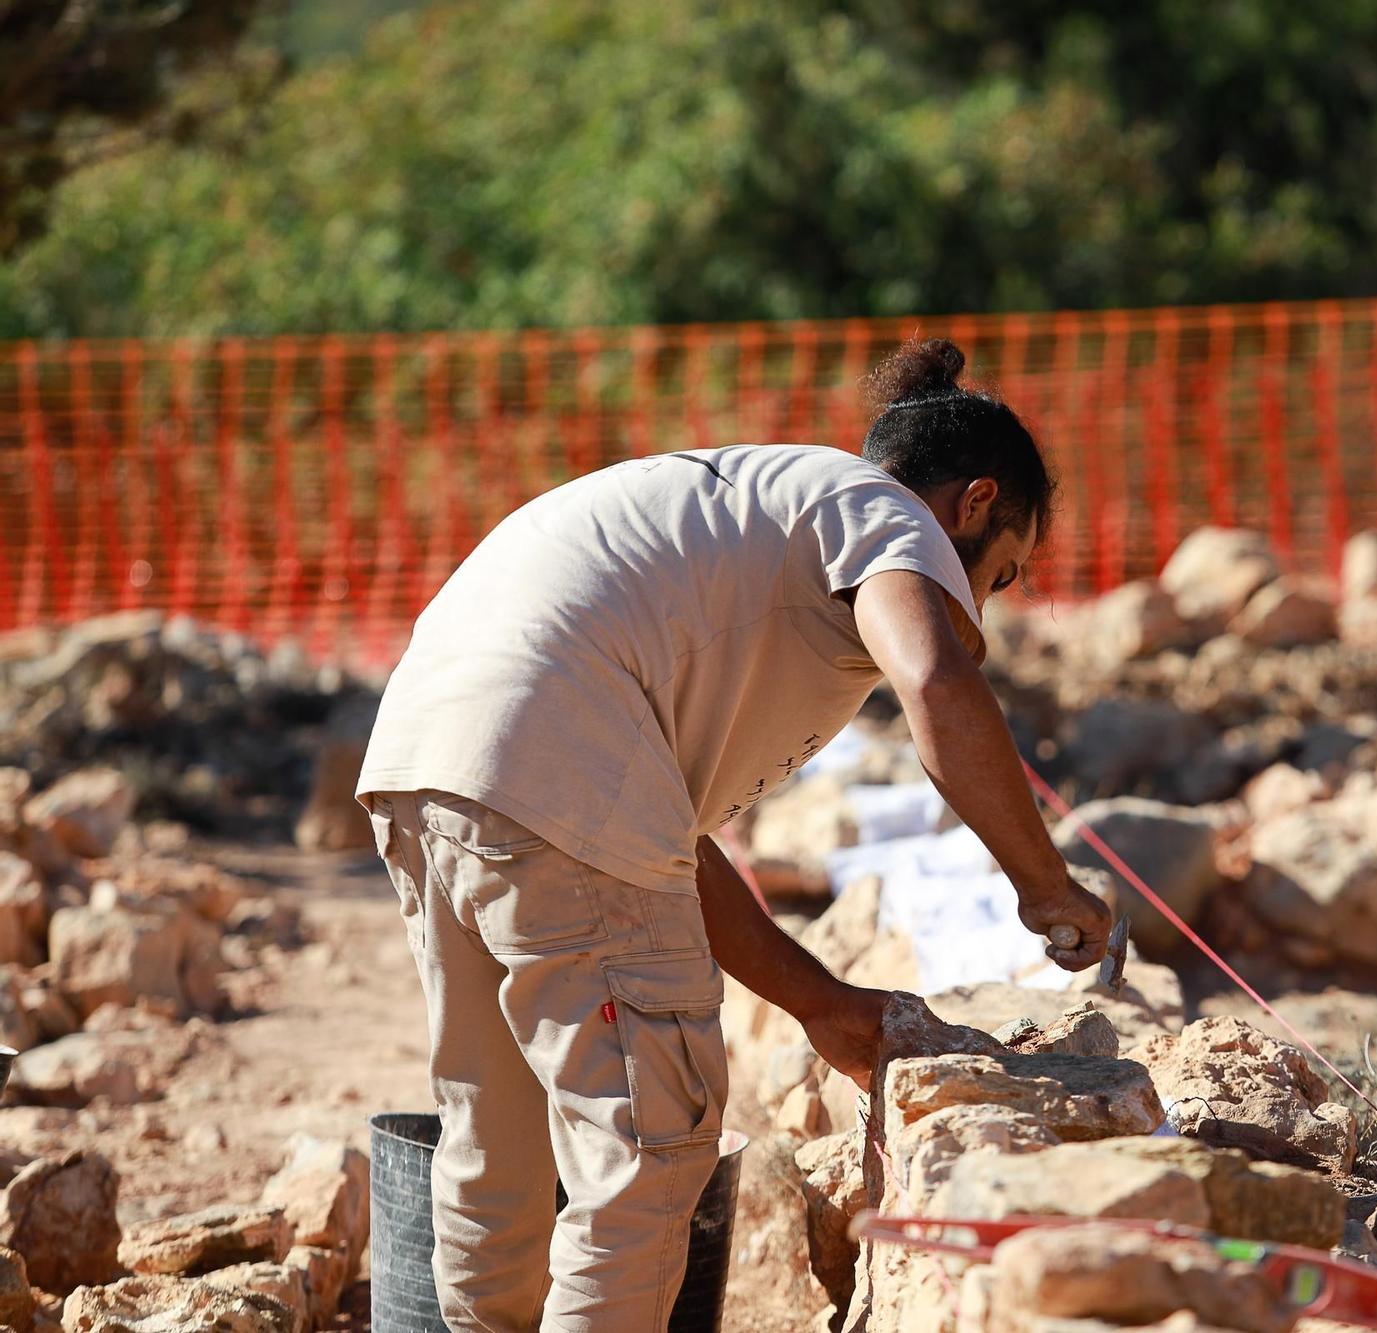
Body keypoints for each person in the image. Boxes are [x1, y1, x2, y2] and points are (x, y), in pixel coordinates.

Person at [355, 337, 1114, 1331]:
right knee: (645, 1152)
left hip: (428, 759)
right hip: (550, 763)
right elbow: (934, 681)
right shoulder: (884, 513)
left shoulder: (759, 514)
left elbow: (653, 858)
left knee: (498, 1138)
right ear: (972, 503)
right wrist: (1045, 886)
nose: (979, 604)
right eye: (1000, 575)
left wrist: (820, 1002)